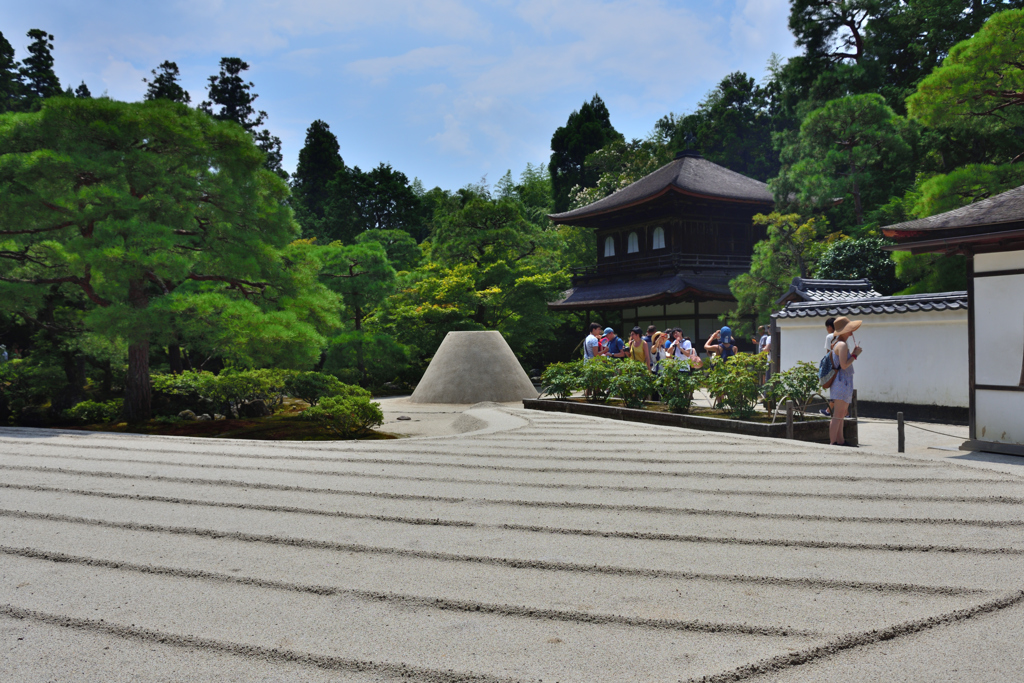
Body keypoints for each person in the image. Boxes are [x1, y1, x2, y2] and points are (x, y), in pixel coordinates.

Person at [829, 316, 863, 447]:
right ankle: (833, 442)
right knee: (838, 413)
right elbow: (844, 365)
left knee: (841, 413)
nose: (851, 331)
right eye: (849, 329)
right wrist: (855, 355)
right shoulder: (842, 345)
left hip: (842, 382)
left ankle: (840, 440)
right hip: (841, 382)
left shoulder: (838, 344)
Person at [820, 318, 837, 416]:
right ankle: (845, 413)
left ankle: (828, 410)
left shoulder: (830, 337)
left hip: (833, 365)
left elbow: (828, 353)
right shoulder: (842, 335)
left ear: (829, 327)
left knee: (834, 388)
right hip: (842, 364)